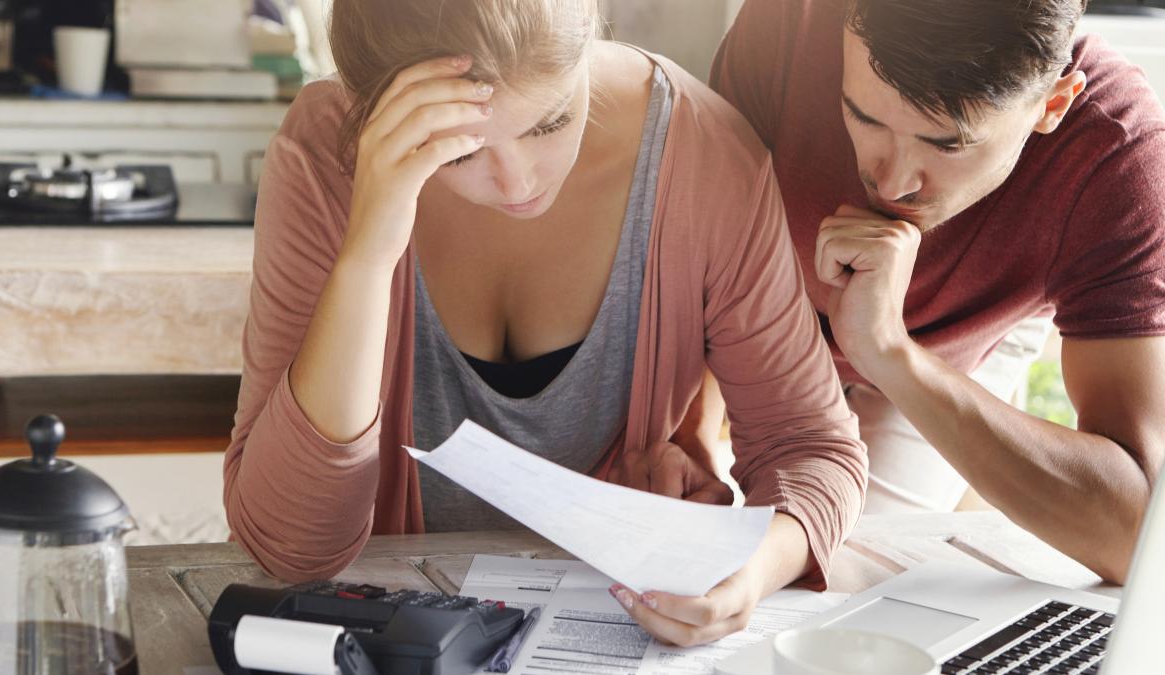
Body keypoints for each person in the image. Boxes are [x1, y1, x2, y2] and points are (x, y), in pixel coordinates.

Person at [223, 0, 868, 646]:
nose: (517, 183)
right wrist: (366, 254)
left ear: (590, 30)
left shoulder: (703, 152)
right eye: (458, 153)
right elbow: (291, 545)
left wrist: (749, 573)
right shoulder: (326, 152)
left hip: (612, 643)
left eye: (551, 121)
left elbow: (810, 448)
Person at [710, 0, 1165, 583]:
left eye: (947, 144)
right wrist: (694, 442)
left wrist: (889, 350)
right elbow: (703, 249)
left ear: (1053, 104)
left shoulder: (1120, 153)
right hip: (767, 303)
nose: (893, 184)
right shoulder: (791, 20)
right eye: (863, 116)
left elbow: (1134, 536)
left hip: (966, 330)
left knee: (837, 566)